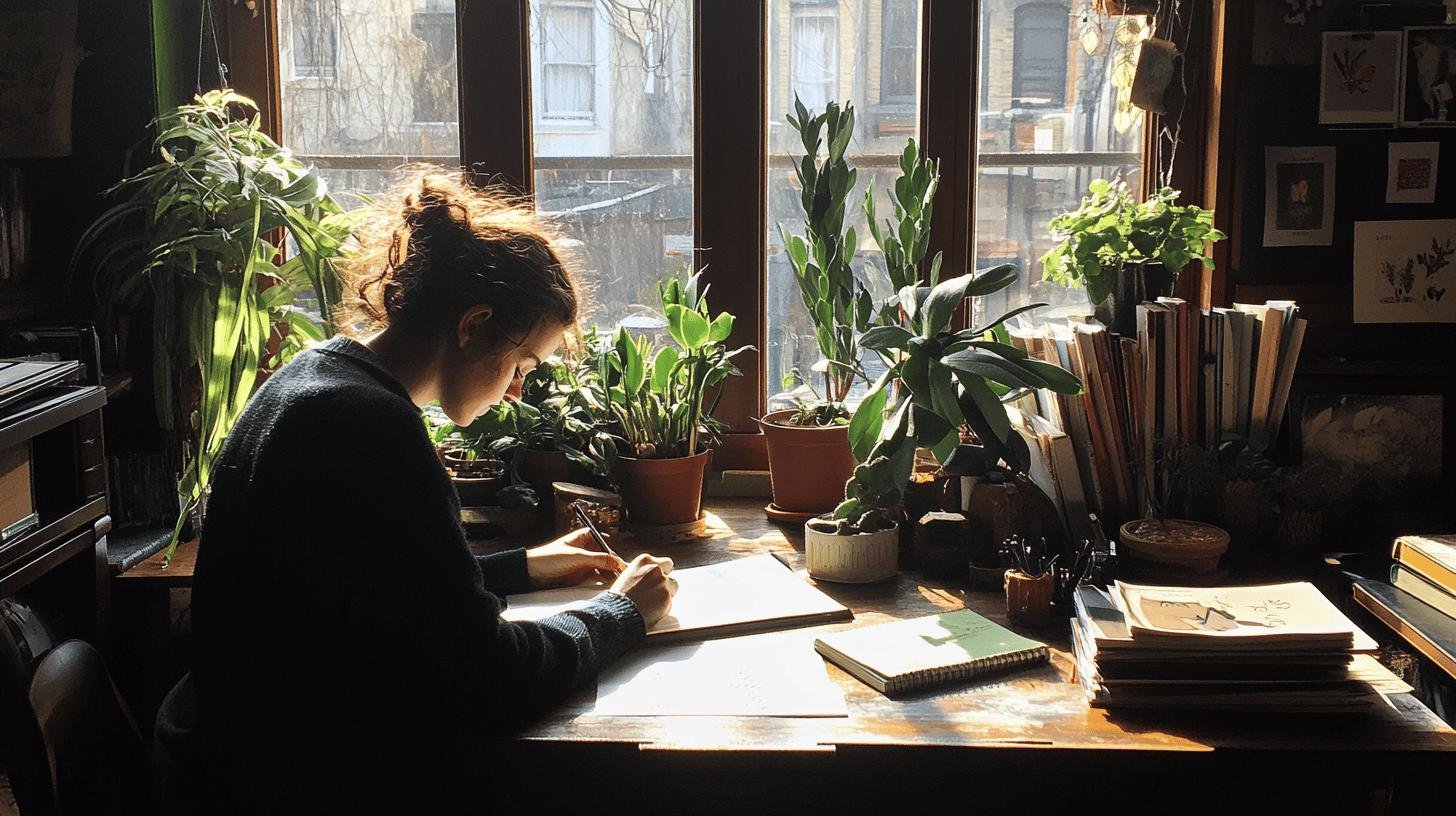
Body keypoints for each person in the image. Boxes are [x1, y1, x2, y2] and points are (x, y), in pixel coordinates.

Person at [156, 170, 676, 812]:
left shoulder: (315, 378)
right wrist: (620, 613)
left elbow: (372, 588)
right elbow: (487, 676)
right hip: (288, 785)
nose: (516, 390)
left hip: (233, 755)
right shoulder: (370, 425)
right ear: (474, 325)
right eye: (522, 364)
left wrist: (519, 568)